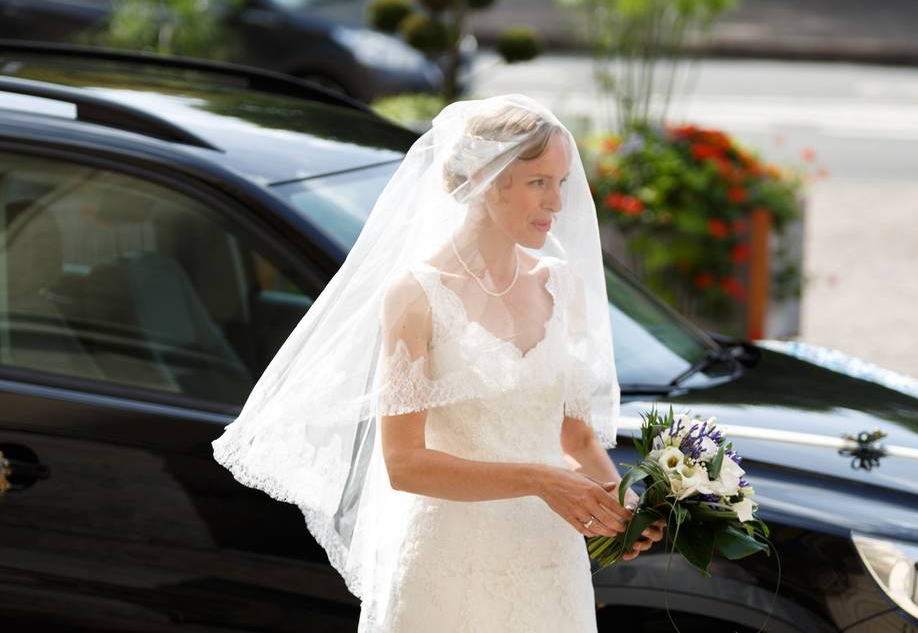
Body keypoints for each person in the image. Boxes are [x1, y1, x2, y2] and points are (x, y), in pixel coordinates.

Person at [211, 93, 665, 632]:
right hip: (447, 564)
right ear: (489, 179)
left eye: (561, 183)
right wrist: (543, 481)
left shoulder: (559, 285)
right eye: (539, 183)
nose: (557, 203)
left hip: (547, 562)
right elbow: (404, 464)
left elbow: (578, 438)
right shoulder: (417, 295)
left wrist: (622, 507)